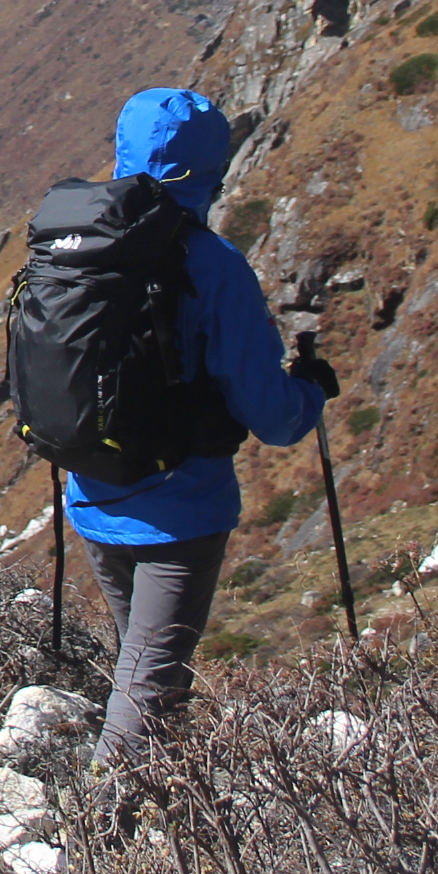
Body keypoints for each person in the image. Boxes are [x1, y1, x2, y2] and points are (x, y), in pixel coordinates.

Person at [61, 87, 337, 780]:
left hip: (93, 495)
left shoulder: (77, 240)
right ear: (210, 164)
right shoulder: (211, 265)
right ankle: (98, 854)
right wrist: (310, 394)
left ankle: (161, 820)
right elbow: (271, 415)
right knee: (150, 687)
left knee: (143, 667)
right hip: (180, 512)